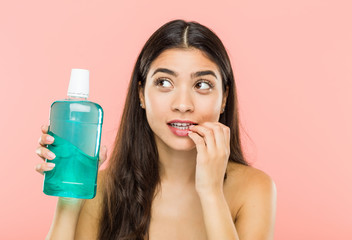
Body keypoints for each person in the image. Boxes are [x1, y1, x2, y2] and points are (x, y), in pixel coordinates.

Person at [35, 19, 277, 240]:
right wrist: (71, 189)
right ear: (141, 93)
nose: (183, 104)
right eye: (164, 82)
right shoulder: (103, 189)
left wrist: (212, 193)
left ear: (224, 98)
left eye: (202, 84)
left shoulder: (253, 190)